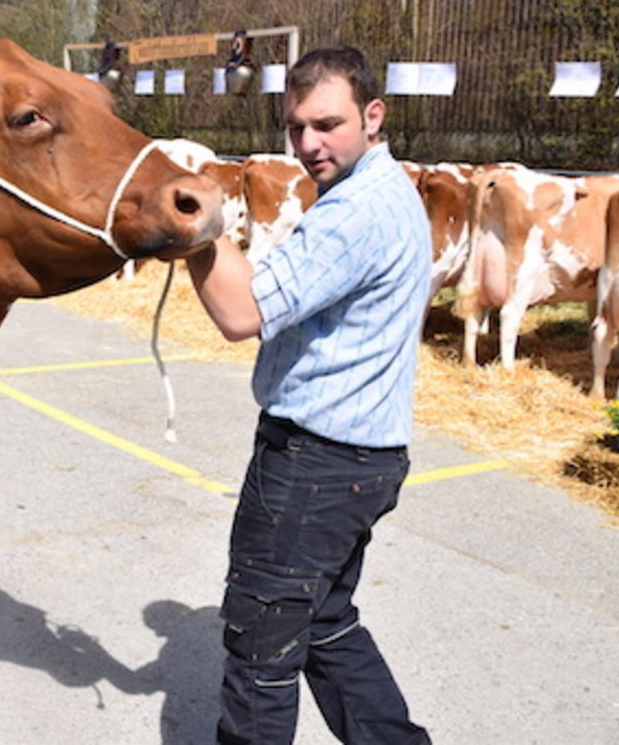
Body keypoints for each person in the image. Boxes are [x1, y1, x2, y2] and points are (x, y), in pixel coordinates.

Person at [186, 45, 432, 744]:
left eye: (328, 124)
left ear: (373, 116)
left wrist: (196, 219)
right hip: (361, 458)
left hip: (315, 464)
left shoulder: (356, 211)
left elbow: (242, 312)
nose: (309, 143)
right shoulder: (383, 192)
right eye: (297, 127)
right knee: (323, 622)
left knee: (261, 647)